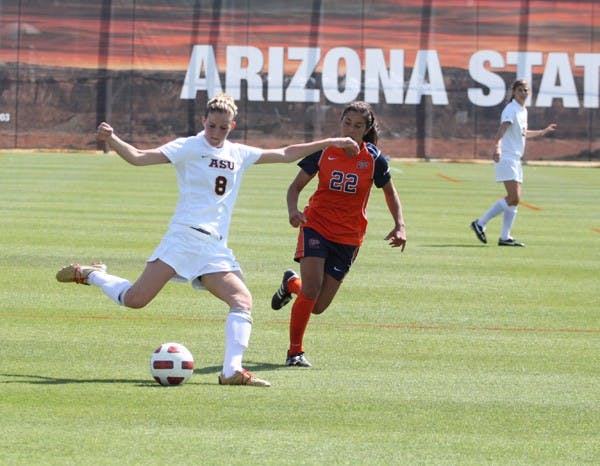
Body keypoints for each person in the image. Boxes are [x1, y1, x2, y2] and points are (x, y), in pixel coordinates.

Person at [56, 93, 359, 387]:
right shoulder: (188, 147)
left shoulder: (238, 153)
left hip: (214, 247)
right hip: (183, 238)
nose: (216, 132)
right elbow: (138, 158)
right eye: (211, 125)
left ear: (232, 127)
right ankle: (93, 274)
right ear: (203, 120)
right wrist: (112, 139)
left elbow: (285, 153)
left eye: (223, 128)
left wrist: (330, 141)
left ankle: (231, 371)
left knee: (242, 301)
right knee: (136, 299)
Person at [270, 101, 407, 367]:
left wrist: (400, 224)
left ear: (366, 130)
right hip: (316, 225)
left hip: (348, 237)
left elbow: (390, 192)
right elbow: (295, 187)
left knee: (317, 306)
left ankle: (290, 285)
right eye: (347, 123)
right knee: (311, 290)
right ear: (340, 123)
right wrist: (292, 210)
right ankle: (294, 353)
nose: (351, 129)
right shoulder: (324, 152)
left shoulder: (373, 158)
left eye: (358, 126)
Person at [471, 79, 557, 247]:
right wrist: (497, 147)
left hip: (515, 159)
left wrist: (542, 132)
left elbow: (523, 133)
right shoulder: (511, 109)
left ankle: (505, 237)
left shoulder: (522, 110)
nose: (524, 93)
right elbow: (502, 129)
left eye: (526, 90)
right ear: (514, 92)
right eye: (520, 90)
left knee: (515, 200)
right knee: (514, 196)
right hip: (507, 157)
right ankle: (480, 223)